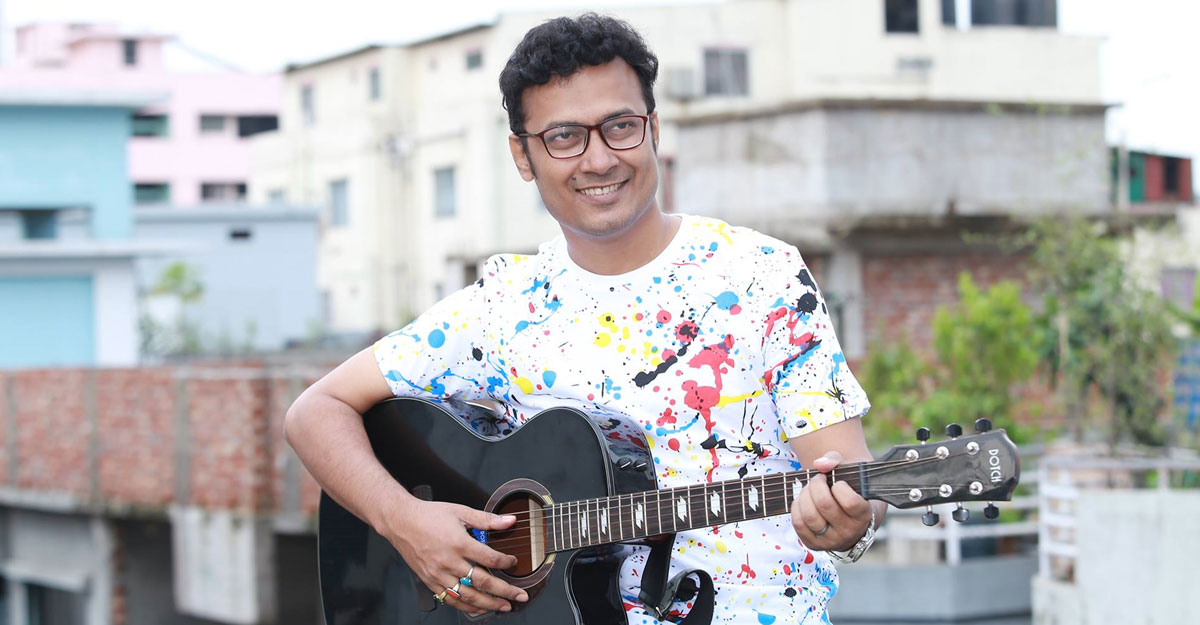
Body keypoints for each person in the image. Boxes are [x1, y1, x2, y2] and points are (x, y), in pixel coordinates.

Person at [285, 13, 884, 624]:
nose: (598, 160)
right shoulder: (502, 306)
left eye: (620, 126)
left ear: (654, 128)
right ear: (523, 155)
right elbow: (314, 413)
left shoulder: (763, 277)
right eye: (564, 136)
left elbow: (852, 482)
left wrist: (850, 522)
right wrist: (405, 521)